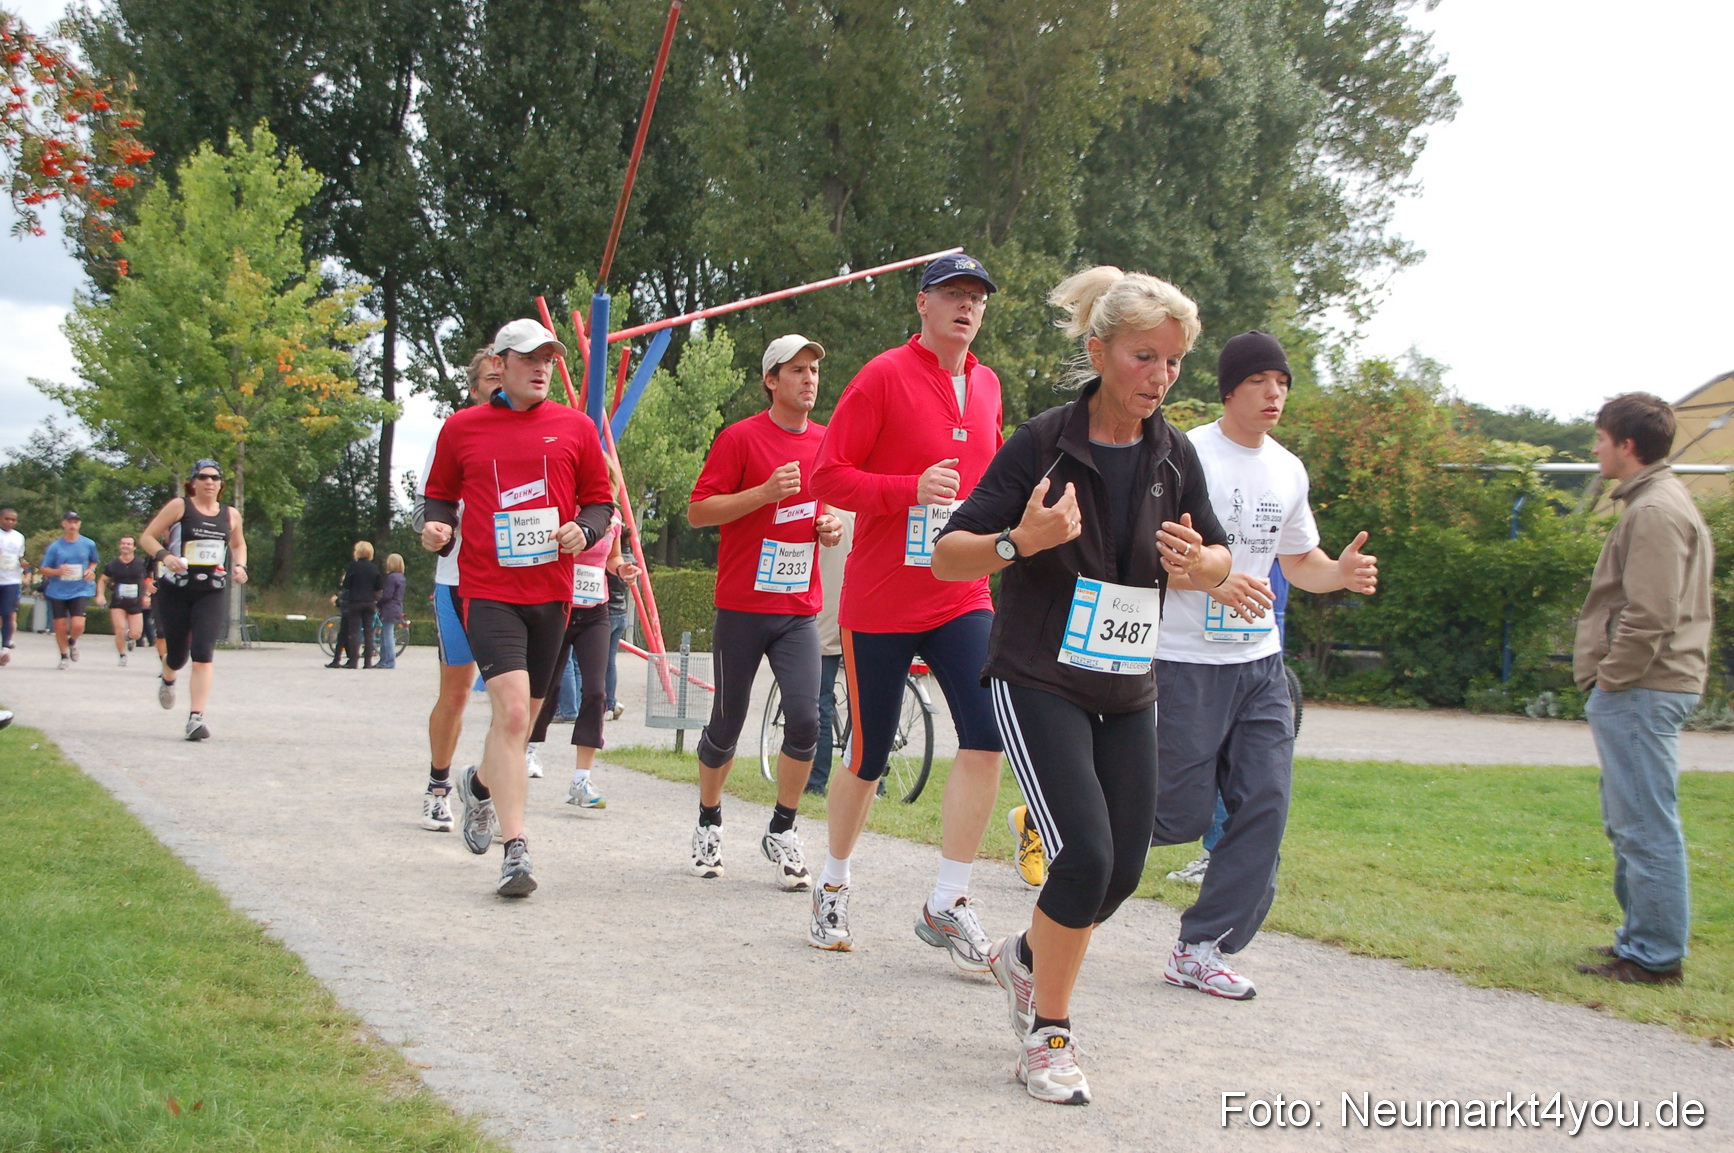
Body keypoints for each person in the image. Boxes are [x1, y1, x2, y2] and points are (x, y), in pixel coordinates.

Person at [932, 265, 1230, 1105]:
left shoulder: (1176, 455)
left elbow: (1218, 555)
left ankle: (1023, 959)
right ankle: (1048, 1033)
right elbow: (949, 552)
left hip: (1128, 684)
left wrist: (1198, 563)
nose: (1161, 378)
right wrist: (1017, 541)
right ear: (1099, 351)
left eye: (1173, 362)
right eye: (1146, 358)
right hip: (1039, 677)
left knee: (1122, 872)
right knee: (1083, 854)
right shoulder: (1043, 443)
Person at [1150, 330, 1378, 1001]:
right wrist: (1211, 582)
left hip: (1260, 664)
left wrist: (1338, 572)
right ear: (1229, 388)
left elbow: (1298, 560)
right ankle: (1065, 825)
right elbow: (1148, 556)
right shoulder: (1185, 453)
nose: (1274, 393)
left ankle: (1202, 945)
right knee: (1176, 812)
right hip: (1184, 659)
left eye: (1282, 382)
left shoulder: (1288, 469)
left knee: (1265, 801)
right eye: (1259, 381)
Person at [808, 253, 1007, 963]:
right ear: (921, 302)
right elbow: (827, 474)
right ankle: (832, 882)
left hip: (962, 593)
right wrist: (906, 488)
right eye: (952, 293)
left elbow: (989, 482)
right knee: (868, 752)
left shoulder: (987, 386)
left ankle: (948, 898)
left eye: (977, 298)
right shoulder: (882, 376)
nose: (966, 306)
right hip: (882, 600)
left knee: (987, 735)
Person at [421, 319, 614, 898]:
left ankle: (479, 785)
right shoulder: (463, 429)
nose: (542, 368)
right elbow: (437, 497)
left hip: (553, 594)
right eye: (529, 358)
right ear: (499, 365)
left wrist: (584, 528)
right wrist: (434, 527)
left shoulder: (576, 428)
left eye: (550, 360)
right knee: (508, 716)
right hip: (487, 590)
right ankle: (517, 850)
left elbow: (600, 503)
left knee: (523, 722)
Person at [684, 334, 843, 886]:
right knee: (726, 722)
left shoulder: (826, 442)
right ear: (771, 380)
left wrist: (830, 526)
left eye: (814, 371)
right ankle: (709, 821)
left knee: (807, 720)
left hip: (798, 607)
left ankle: (782, 828)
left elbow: (824, 508)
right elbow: (699, 512)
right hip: (743, 607)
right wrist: (762, 493)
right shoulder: (740, 438)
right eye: (796, 370)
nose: (809, 380)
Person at [1573, 392, 1712, 986]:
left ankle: (1654, 956)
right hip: (1646, 684)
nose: (1596, 447)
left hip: (1644, 685)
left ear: (1627, 444)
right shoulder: (1655, 500)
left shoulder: (1654, 510)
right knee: (1631, 818)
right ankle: (1639, 943)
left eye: (1602, 438)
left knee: (1644, 824)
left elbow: (1651, 613)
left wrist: (1612, 676)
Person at [413, 349, 499, 834]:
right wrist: (434, 530)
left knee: (515, 702)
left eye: (501, 376)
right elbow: (428, 505)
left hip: (517, 586)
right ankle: (438, 785)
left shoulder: (539, 429)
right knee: (458, 695)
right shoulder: (458, 430)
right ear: (474, 389)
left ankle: (488, 790)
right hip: (460, 581)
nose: (499, 385)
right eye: (489, 379)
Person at [525, 486, 640, 813]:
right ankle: (529, 750)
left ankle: (581, 780)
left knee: (595, 692)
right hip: (558, 608)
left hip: (595, 611)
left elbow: (613, 557)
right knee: (547, 687)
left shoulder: (614, 519)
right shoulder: (565, 512)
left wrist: (622, 570)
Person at [139, 459, 249, 740]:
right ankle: (168, 676)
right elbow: (147, 538)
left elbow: (238, 543)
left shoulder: (231, 514)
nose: (209, 482)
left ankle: (196, 719)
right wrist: (166, 557)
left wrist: (240, 566)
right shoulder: (180, 507)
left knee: (203, 654)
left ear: (221, 484)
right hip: (175, 590)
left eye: (214, 477)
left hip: (210, 591)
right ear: (193, 482)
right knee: (177, 656)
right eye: (202, 477)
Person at [805, 507, 854, 795]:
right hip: (860, 613)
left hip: (823, 616)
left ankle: (816, 781)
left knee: (820, 701)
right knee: (865, 705)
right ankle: (874, 779)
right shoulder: (866, 506)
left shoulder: (821, 506)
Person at [40, 511, 100, 670]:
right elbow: (44, 568)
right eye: (69, 522)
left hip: (81, 588)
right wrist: (57, 572)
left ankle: (72, 641)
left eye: (76, 522)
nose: (73, 525)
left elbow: (94, 561)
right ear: (64, 524)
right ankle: (63, 655)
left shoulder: (89, 544)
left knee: (78, 624)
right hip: (58, 589)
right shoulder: (55, 546)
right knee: (59, 625)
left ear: (79, 524)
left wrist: (91, 570)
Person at [96, 534, 152, 665]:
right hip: (118, 601)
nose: (125, 546)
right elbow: (103, 580)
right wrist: (100, 595)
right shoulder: (113, 564)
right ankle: (122, 655)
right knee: (119, 629)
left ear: (134, 547)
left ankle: (130, 637)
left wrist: (147, 595)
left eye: (128, 544)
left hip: (136, 602)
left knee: (137, 633)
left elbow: (149, 579)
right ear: (119, 546)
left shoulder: (141, 563)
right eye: (123, 543)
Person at [329, 541, 382, 669]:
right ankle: (368, 662)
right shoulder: (374, 568)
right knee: (369, 633)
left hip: (355, 602)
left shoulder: (354, 566)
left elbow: (346, 584)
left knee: (354, 632)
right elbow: (378, 586)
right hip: (369, 603)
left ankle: (353, 661)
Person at [0, 507, 26, 666]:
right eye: (7, 519)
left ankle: (5, 649)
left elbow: (20, 556)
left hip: (11, 580)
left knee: (8, 613)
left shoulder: (19, 537)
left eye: (13, 520)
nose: (10, 522)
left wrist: (23, 563)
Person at [375, 553, 407, 669]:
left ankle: (388, 660)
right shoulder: (401, 577)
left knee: (387, 634)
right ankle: (384, 660)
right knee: (385, 634)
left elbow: (387, 595)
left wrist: (378, 603)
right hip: (397, 607)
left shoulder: (391, 577)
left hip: (389, 608)